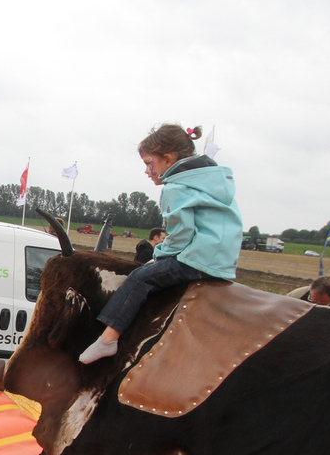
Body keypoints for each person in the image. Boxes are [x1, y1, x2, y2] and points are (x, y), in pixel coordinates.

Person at [80, 124, 242, 363]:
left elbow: (181, 234)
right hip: (223, 260)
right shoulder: (212, 183)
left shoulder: (176, 188)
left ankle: (108, 339)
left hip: (198, 258)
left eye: (149, 163)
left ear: (168, 159)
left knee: (139, 278)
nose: (147, 171)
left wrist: (158, 255)